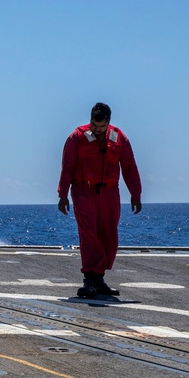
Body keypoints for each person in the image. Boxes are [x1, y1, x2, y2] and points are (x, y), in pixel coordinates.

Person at [58, 102, 142, 298]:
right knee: (89, 235)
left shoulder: (119, 138)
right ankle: (89, 280)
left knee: (108, 235)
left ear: (109, 123)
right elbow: (67, 166)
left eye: (101, 128)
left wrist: (136, 194)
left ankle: (99, 279)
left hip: (110, 194)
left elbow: (129, 167)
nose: (97, 131)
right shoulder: (77, 137)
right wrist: (62, 194)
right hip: (83, 191)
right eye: (94, 127)